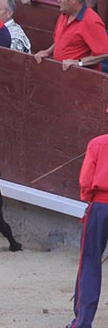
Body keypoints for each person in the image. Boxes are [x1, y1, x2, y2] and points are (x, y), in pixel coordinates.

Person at [66, 133, 108, 328]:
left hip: (100, 206)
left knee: (90, 263)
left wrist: (91, 199)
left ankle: (82, 323)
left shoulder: (98, 143)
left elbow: (85, 181)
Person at [34, 0, 108, 71]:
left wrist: (79, 62)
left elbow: (104, 53)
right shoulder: (65, 14)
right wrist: (48, 51)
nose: (58, 0)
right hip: (63, 74)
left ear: (73, 0)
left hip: (81, 79)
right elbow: (62, 39)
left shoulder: (91, 21)